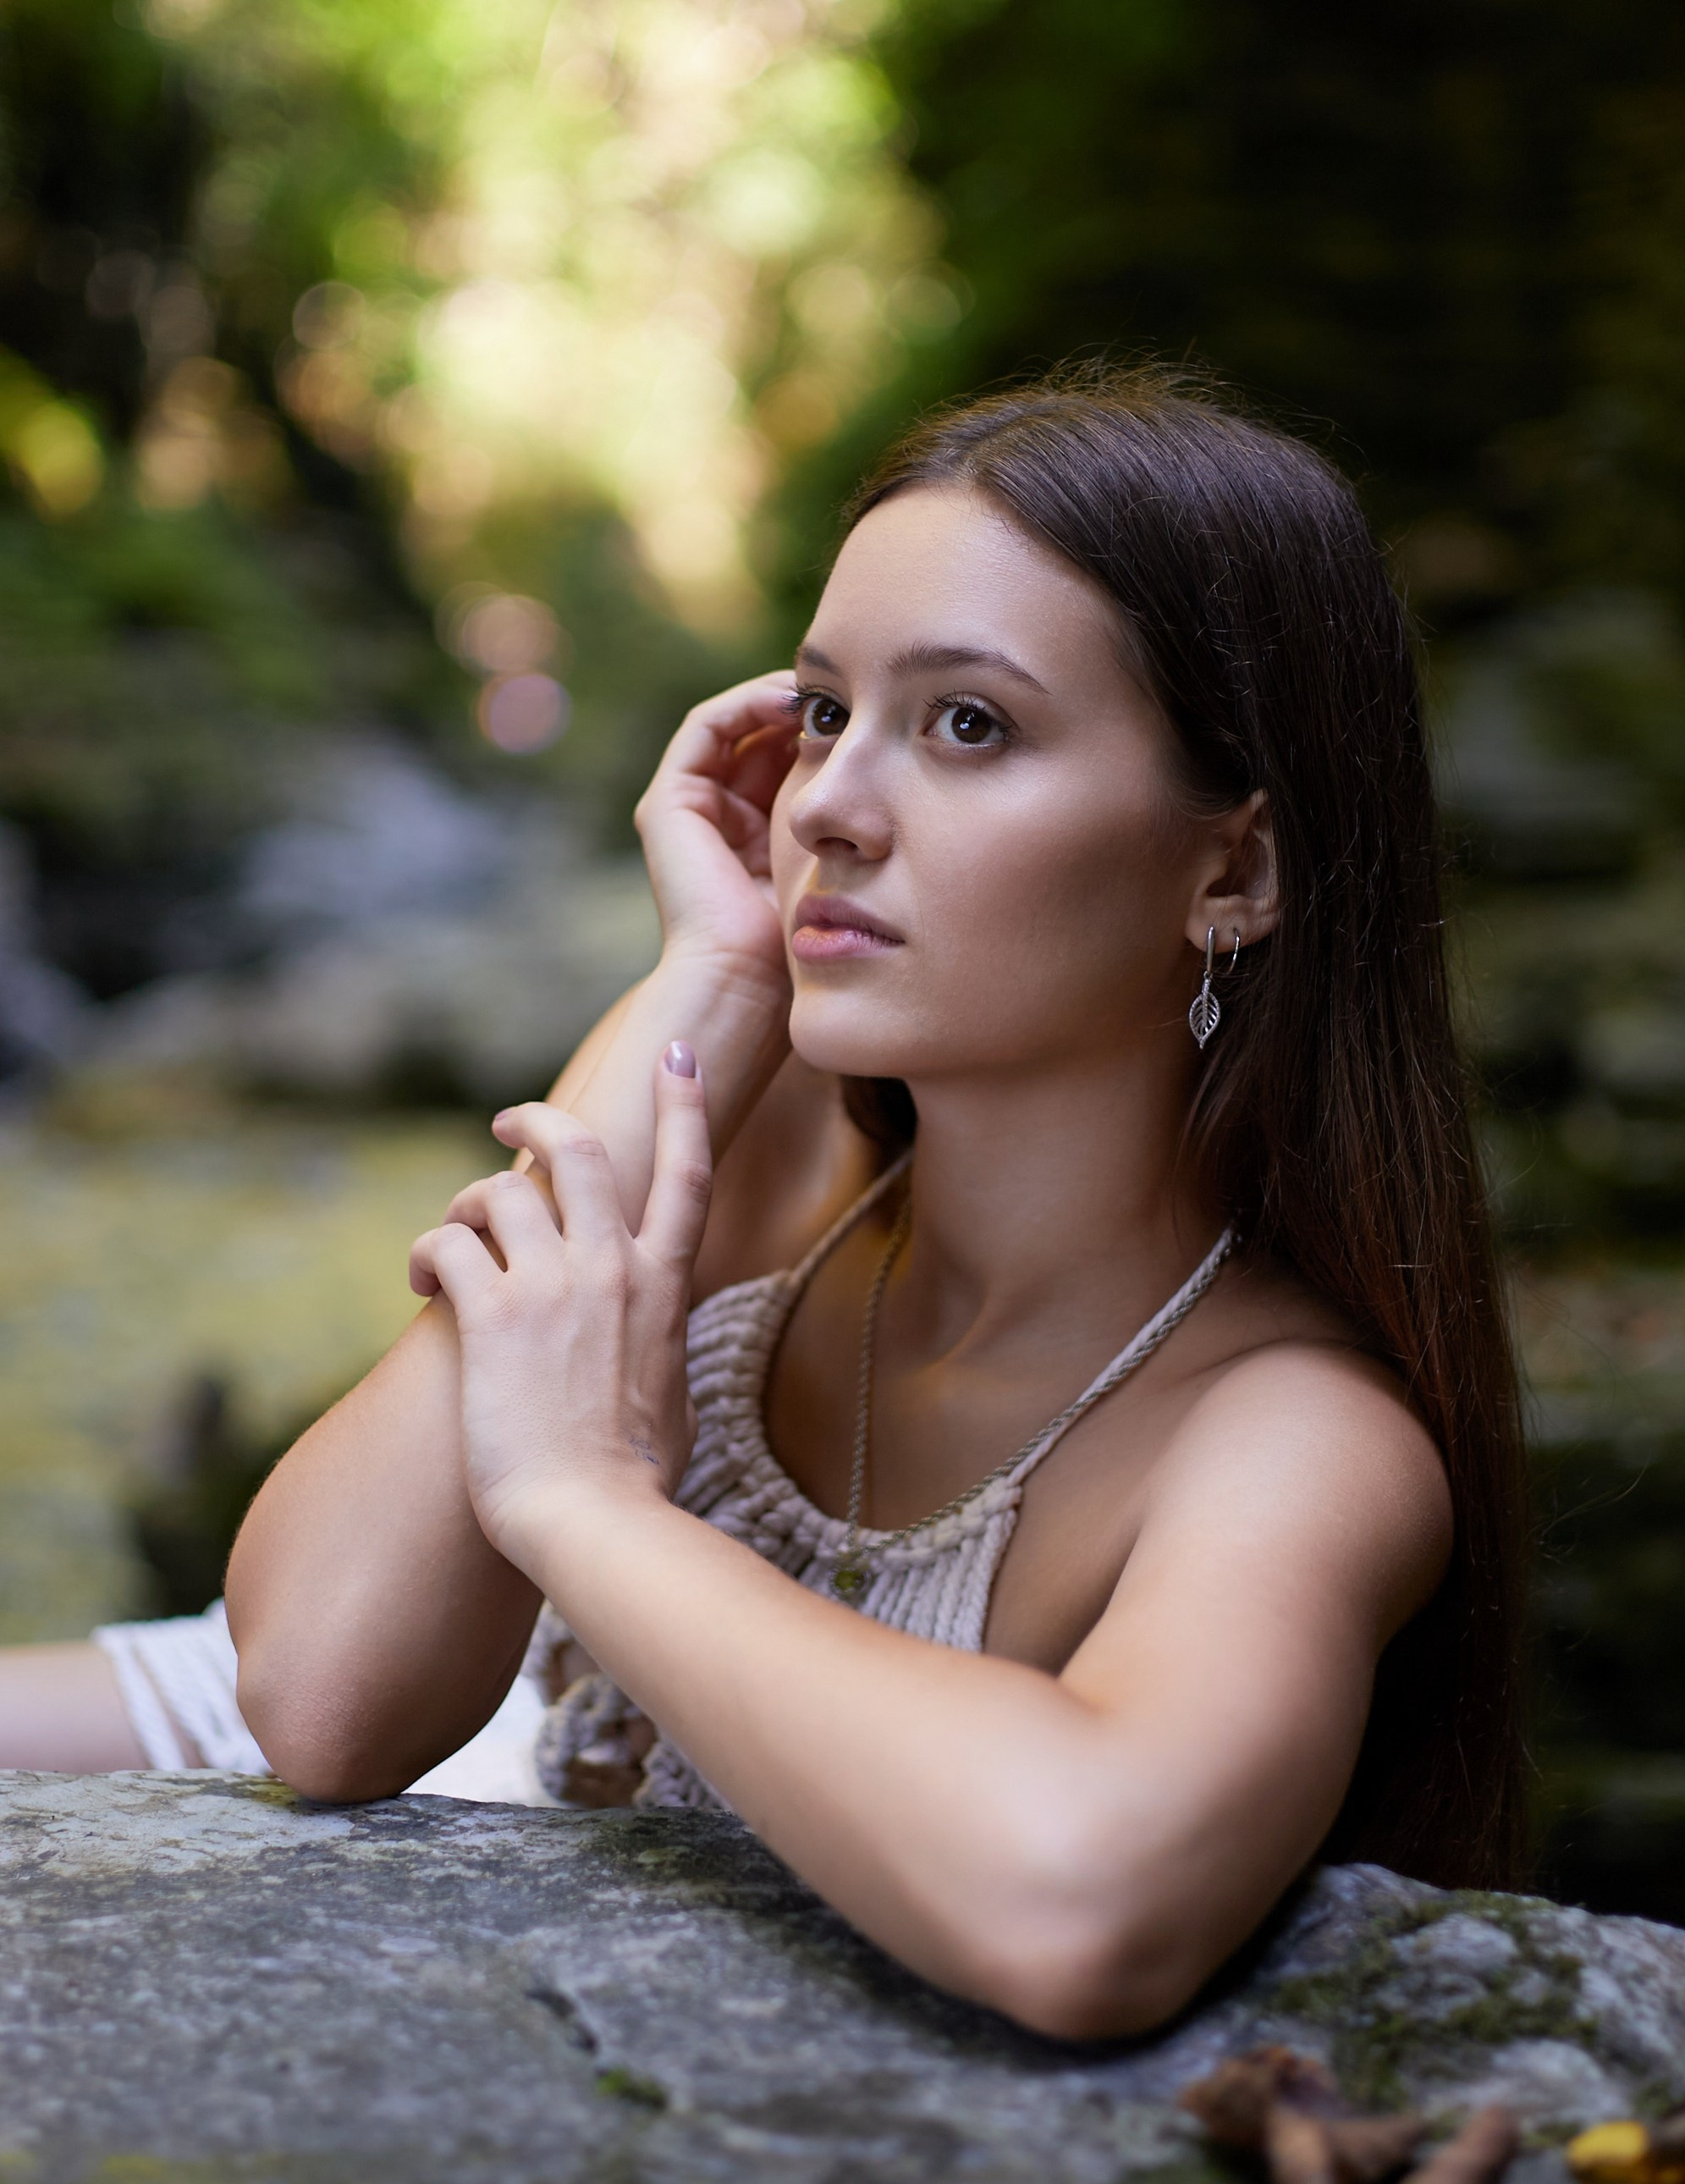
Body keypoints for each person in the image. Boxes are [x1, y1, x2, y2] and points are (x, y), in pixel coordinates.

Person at [0, 367, 1527, 2040]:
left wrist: (590, 1505)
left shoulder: (1292, 1442)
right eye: (820, 711)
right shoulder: (765, 1154)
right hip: (400, 1750)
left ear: (1230, 871)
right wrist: (705, 984)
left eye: (967, 724)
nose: (826, 807)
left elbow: (1082, 1901)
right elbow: (318, 1690)